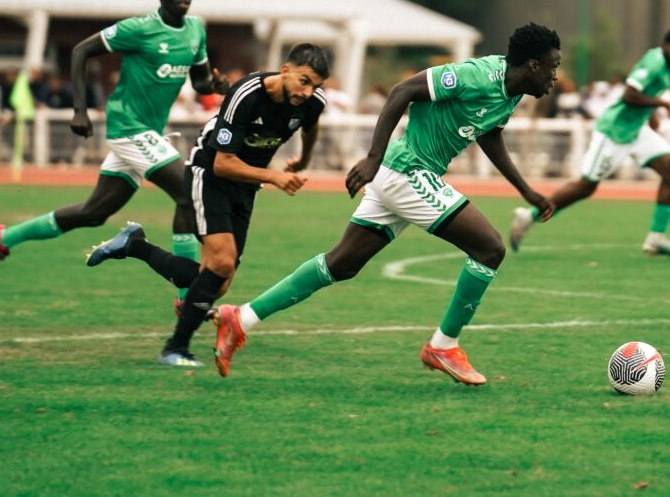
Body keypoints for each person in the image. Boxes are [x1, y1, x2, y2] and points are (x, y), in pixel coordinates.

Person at [210, 23, 562, 384]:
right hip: (407, 171)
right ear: (532, 65)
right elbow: (403, 91)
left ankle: (241, 318)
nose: (554, 76)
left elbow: (488, 133)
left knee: (341, 264)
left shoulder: (510, 94)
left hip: (403, 174)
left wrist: (525, 189)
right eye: (552, 67)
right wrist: (373, 158)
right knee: (490, 249)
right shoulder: (476, 75)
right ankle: (443, 346)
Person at [0, 0, 228, 285]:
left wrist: (217, 86)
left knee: (93, 214)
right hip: (128, 127)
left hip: (149, 133)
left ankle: (4, 238)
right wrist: (79, 109)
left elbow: (200, 82)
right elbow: (81, 50)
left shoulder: (196, 30)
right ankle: (187, 297)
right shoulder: (138, 29)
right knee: (189, 191)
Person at [86, 45, 330, 367]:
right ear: (285, 70)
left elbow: (310, 126)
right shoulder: (246, 95)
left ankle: (136, 246)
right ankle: (175, 348)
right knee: (221, 265)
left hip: (246, 185)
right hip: (209, 175)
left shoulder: (312, 102)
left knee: (219, 281)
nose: (308, 91)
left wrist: (305, 159)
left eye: (315, 85)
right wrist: (274, 176)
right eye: (304, 81)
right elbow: (222, 164)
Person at [511, 28, 670, 258]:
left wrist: (652, 114)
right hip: (614, 131)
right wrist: (664, 105)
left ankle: (656, 238)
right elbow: (629, 95)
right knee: (585, 187)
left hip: (636, 130)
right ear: (666, 46)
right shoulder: (655, 61)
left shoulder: (667, 68)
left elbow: (644, 95)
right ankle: (529, 216)